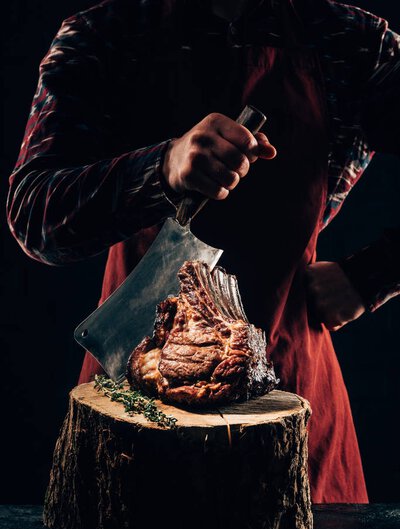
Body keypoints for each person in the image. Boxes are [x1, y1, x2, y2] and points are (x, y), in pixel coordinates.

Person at [6, 0, 400, 503]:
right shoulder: (106, 35)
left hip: (295, 400)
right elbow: (33, 214)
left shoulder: (352, 44)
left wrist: (373, 276)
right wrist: (162, 168)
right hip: (137, 409)